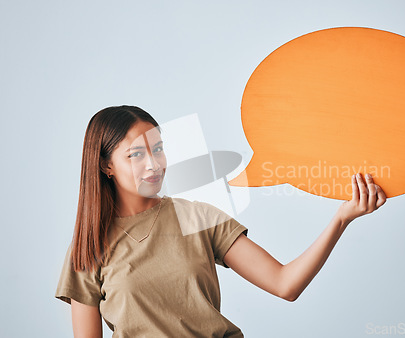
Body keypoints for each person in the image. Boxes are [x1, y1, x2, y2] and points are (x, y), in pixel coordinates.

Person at [55, 105, 387, 337]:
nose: (154, 165)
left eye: (158, 148)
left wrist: (341, 219)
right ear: (106, 166)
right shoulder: (89, 246)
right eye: (136, 154)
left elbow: (285, 285)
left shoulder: (198, 217)